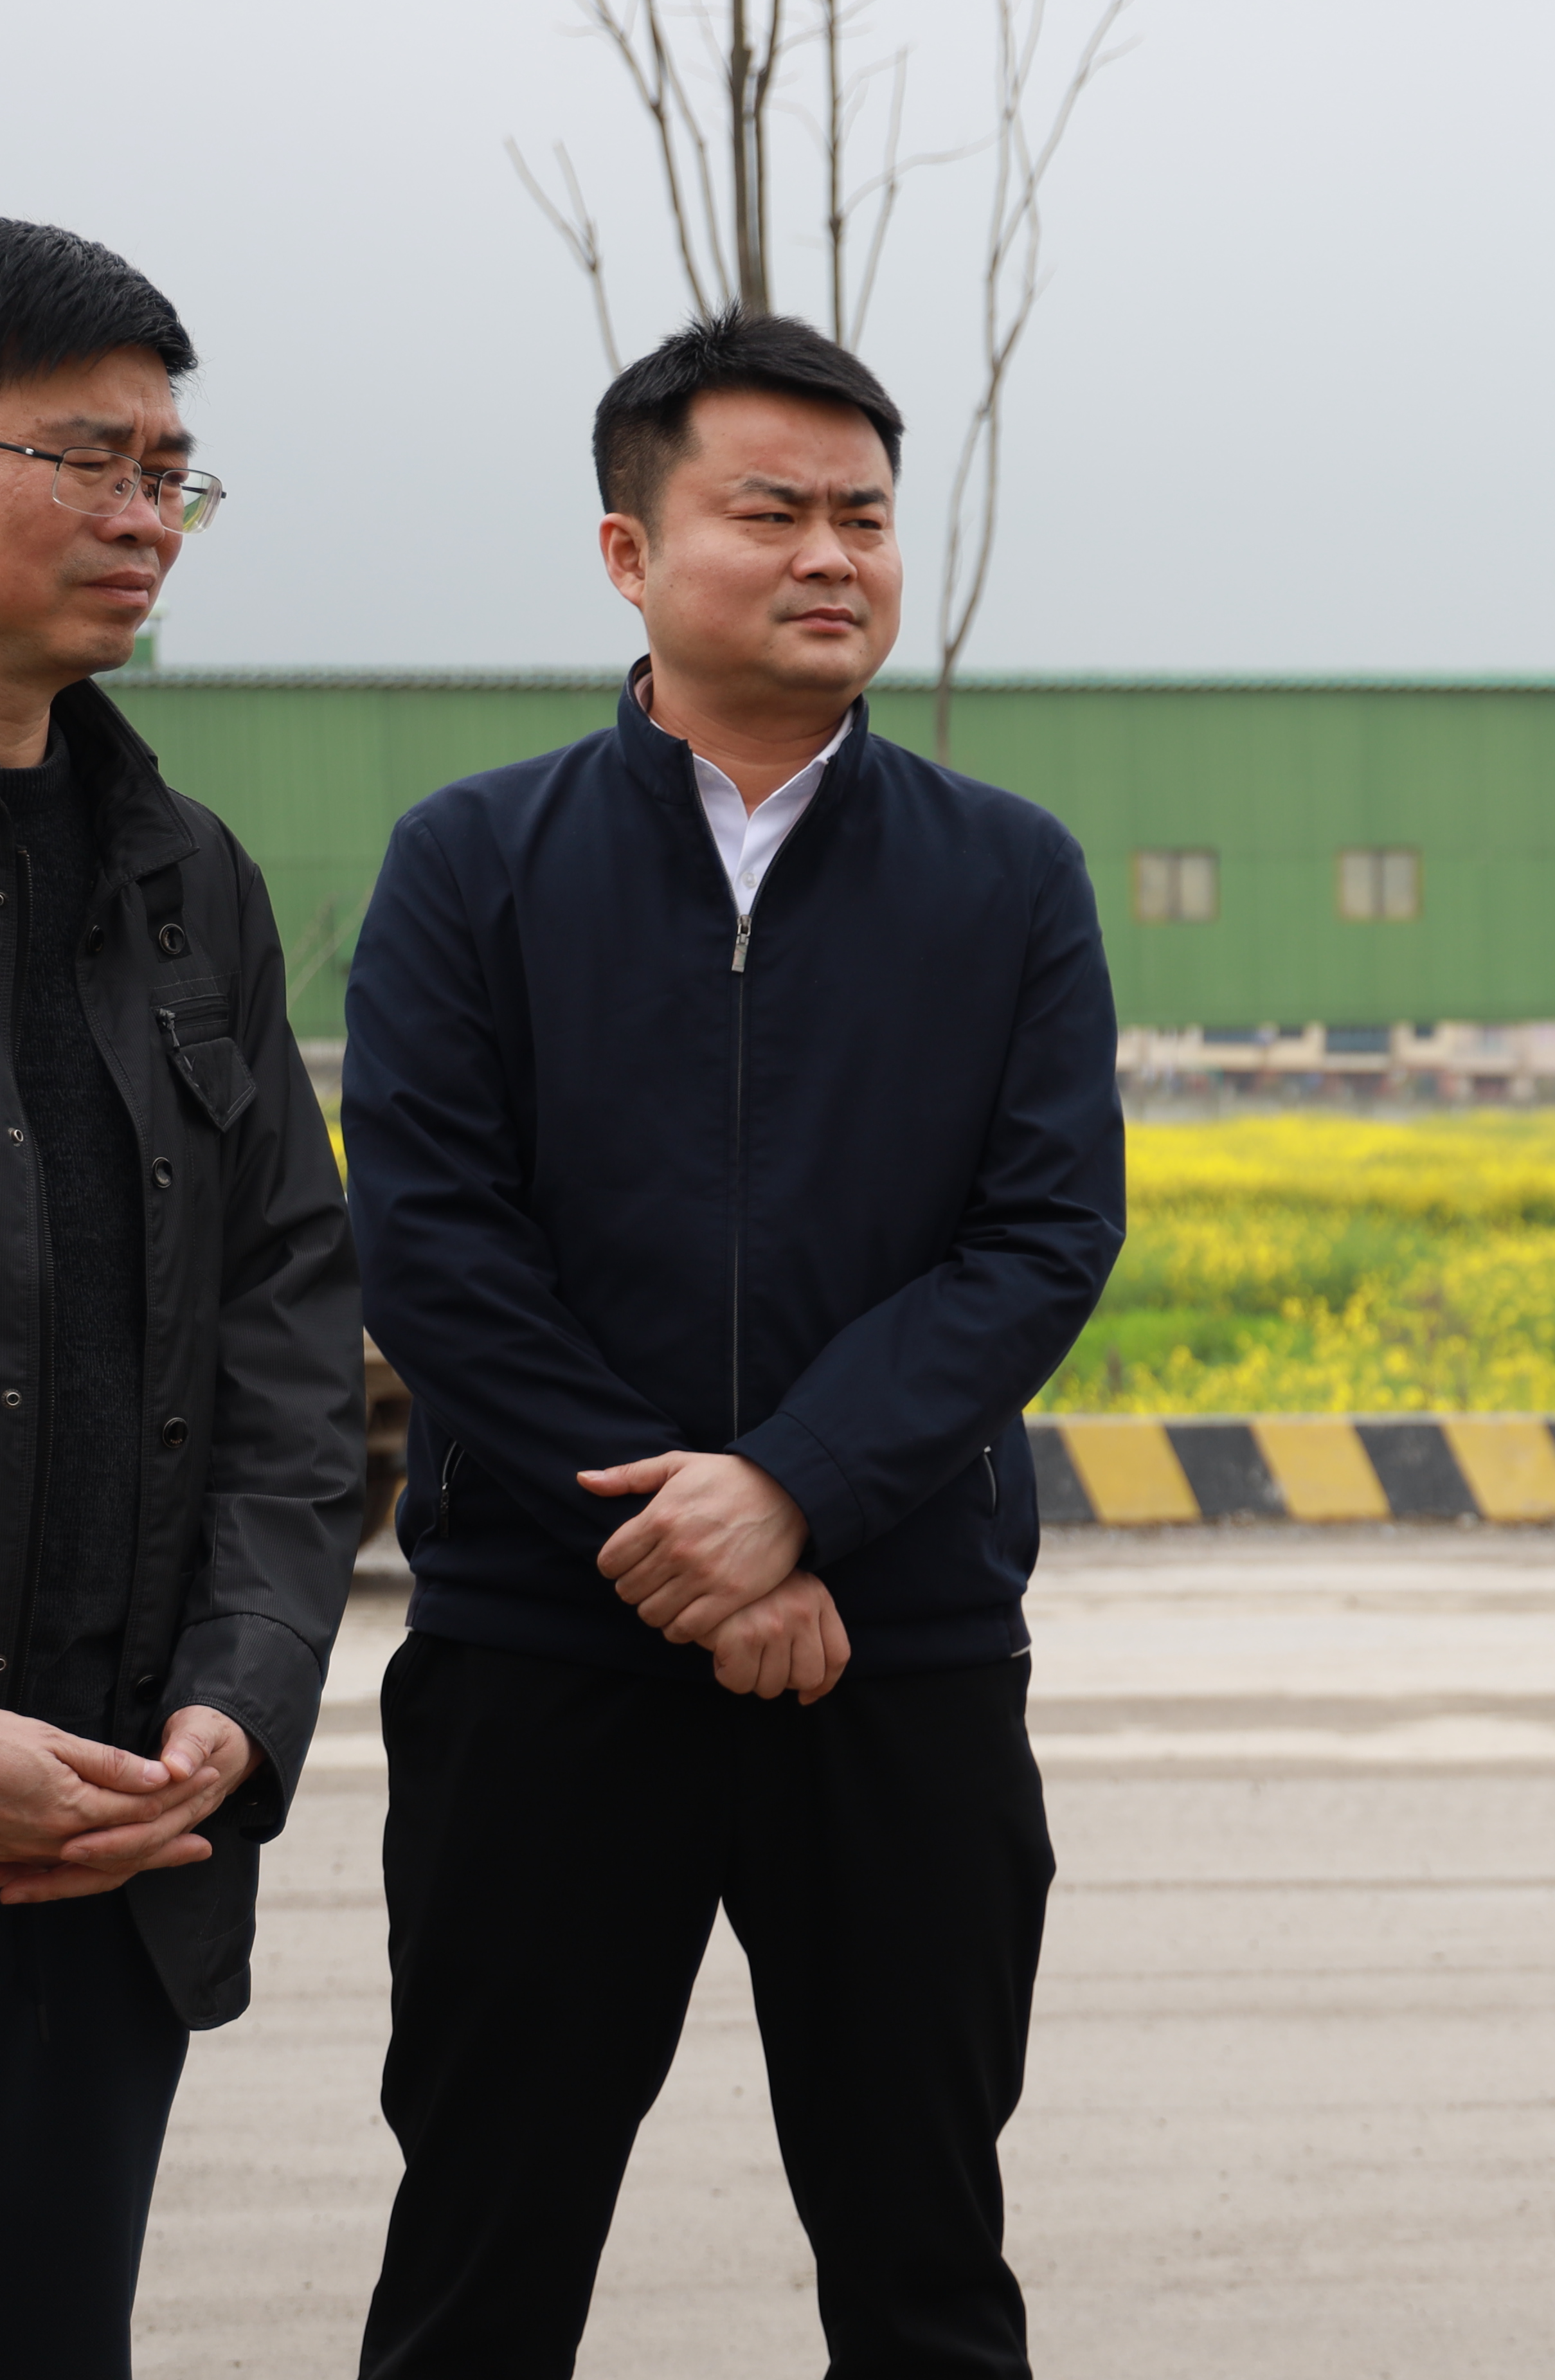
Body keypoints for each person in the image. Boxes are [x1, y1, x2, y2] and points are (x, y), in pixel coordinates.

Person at [341, 310, 1122, 2377]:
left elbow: (1043, 1236)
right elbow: (433, 1245)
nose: (832, 555)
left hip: (895, 1655)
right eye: (770, 511)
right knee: (485, 2242)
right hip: (546, 1655)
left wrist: (793, 1493)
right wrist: (688, 1547)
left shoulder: (1007, 877)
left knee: (925, 2252)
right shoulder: (473, 864)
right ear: (629, 552)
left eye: (865, 514)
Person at [0, 218, 364, 2375]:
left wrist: (241, 1700)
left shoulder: (182, 871)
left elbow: (290, 1318)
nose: (146, 517)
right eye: (87, 461)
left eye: (170, 472)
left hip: (104, 1862)